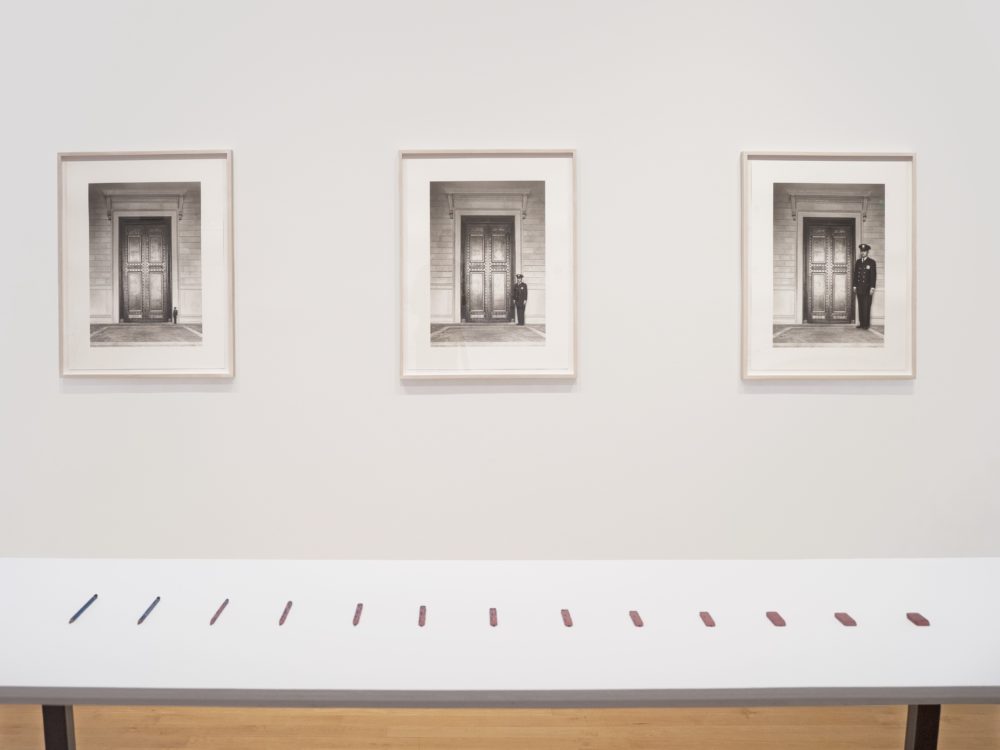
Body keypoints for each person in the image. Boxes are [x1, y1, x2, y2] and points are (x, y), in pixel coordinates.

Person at [853, 244, 876, 329]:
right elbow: (855, 275)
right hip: (859, 288)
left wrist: (872, 287)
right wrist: (854, 285)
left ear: (867, 252)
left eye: (864, 251)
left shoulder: (871, 262)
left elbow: (873, 276)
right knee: (861, 305)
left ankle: (866, 324)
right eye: (861, 251)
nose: (862, 253)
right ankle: (862, 323)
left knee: (866, 306)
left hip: (867, 288)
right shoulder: (858, 262)